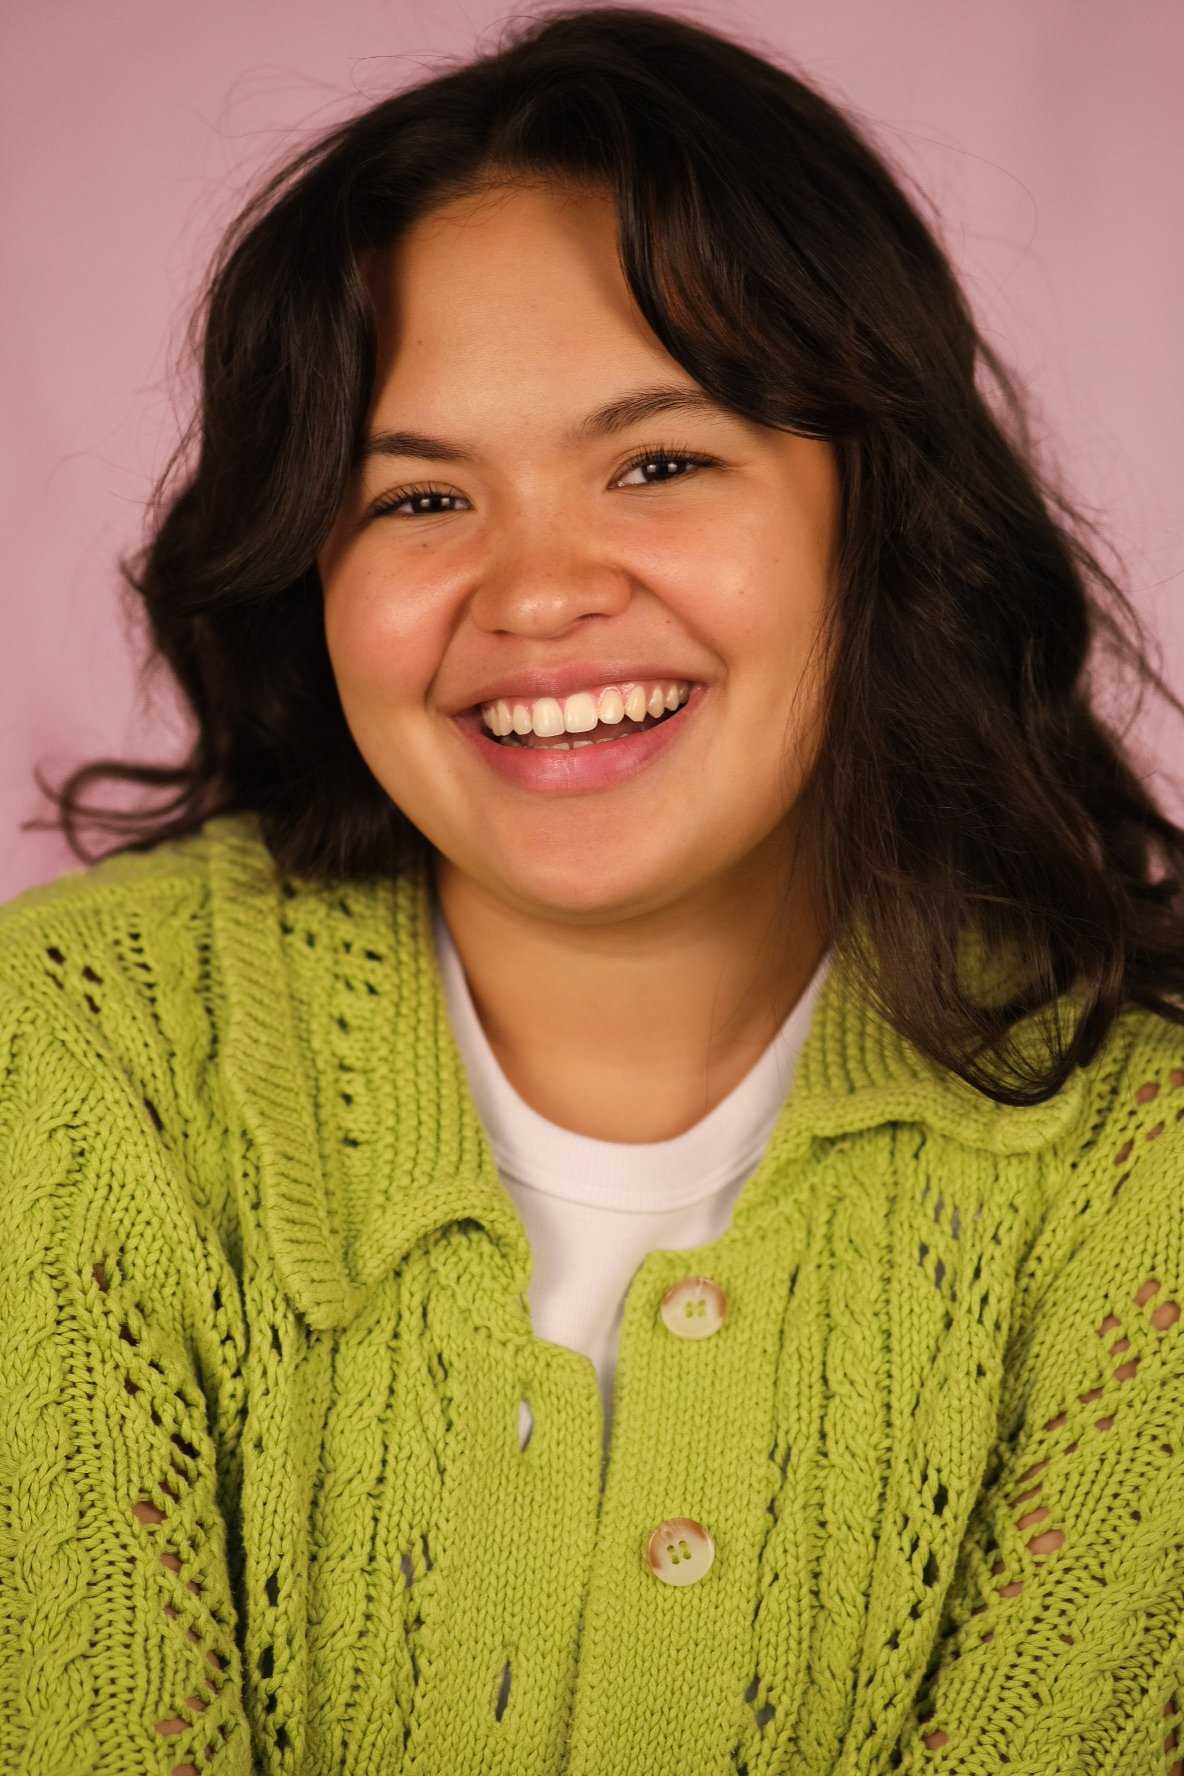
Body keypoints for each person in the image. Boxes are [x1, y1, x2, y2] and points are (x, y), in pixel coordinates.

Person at [3, 6, 1183, 1772]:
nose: (538, 593)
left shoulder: (1145, 1174)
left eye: (658, 463)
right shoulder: (76, 1058)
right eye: (418, 499)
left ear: (882, 514)